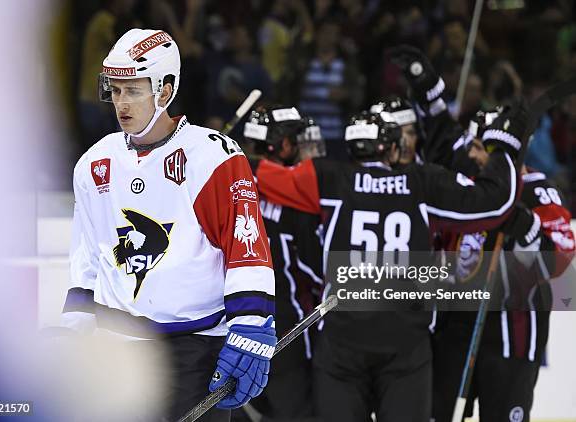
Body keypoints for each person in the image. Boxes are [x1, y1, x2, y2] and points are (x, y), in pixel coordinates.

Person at [253, 101, 529, 420]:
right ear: (391, 147)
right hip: (404, 344)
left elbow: (261, 174)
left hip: (343, 341)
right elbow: (495, 203)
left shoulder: (328, 177)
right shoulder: (422, 182)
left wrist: (218, 155)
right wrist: (503, 145)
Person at [61, 29, 276, 421]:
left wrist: (250, 324)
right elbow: (88, 255)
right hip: (116, 350)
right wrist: (73, 326)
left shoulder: (213, 157)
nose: (120, 102)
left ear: (164, 91)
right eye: (115, 89)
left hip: (194, 352)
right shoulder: (94, 164)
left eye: (133, 90)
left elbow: (246, 248)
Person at [390, 45, 576, 422]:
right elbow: (444, 140)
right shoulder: (466, 183)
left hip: (511, 334)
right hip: (455, 328)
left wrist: (522, 223)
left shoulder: (536, 189)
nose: (471, 155)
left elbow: (560, 259)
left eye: (478, 148)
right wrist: (427, 87)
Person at [242, 105, 325, 420]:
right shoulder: (294, 200)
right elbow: (317, 271)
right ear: (283, 145)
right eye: (296, 138)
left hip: (227, 328)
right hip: (285, 331)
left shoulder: (225, 190)